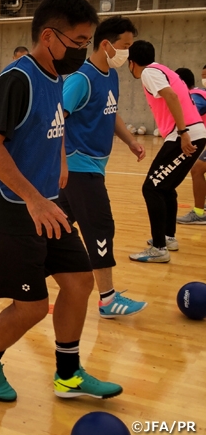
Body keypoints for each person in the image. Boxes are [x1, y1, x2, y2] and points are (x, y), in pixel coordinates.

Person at [0, 0, 122, 403]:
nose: (83, 50)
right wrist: (34, 199)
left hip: (45, 205)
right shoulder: (17, 79)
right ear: (50, 36)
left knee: (79, 282)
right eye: (78, 41)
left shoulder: (58, 78)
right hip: (11, 209)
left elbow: (54, 124)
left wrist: (60, 161)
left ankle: (68, 375)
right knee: (32, 306)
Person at [59, 16, 147, 318]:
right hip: (79, 166)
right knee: (100, 227)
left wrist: (130, 141)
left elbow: (111, 112)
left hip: (95, 164)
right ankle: (108, 299)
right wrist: (61, 162)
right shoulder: (80, 79)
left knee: (57, 224)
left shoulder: (110, 76)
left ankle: (29, 265)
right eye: (125, 45)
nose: (128, 52)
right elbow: (56, 120)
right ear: (107, 44)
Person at [127, 41, 206, 262]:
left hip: (185, 134)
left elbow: (171, 96)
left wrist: (183, 132)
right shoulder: (164, 70)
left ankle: (159, 248)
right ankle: (168, 238)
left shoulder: (148, 72)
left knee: (151, 188)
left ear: (131, 63)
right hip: (193, 133)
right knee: (166, 188)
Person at [174, 67, 206, 225]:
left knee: (197, 169)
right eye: (203, 75)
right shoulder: (201, 92)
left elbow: (191, 112)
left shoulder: (195, 96)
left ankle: (199, 213)